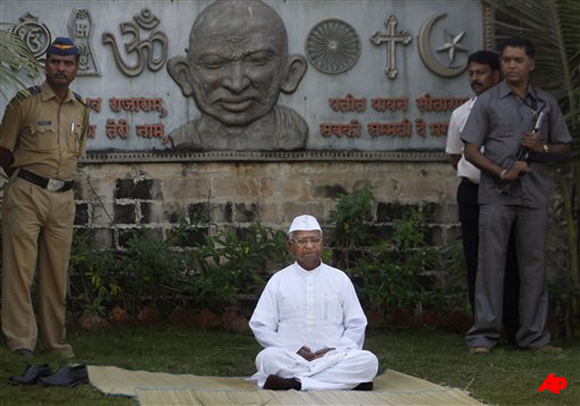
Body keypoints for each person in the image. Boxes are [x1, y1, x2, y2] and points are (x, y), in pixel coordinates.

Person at [461, 37, 571, 354]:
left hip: (534, 195)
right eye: (506, 60)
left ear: (530, 63)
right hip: (496, 194)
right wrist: (500, 171)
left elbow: (564, 147)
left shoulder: (546, 103)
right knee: (490, 265)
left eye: (518, 60)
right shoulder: (488, 101)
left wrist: (542, 148)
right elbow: (470, 149)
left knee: (535, 266)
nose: (511, 65)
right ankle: (483, 335)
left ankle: (534, 336)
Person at [0, 37, 90, 358]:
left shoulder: (81, 107)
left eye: (67, 64)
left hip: (63, 199)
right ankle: (21, 340)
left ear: (76, 69)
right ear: (46, 64)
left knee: (56, 274)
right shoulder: (24, 103)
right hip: (26, 194)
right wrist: (24, 179)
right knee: (19, 271)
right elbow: (4, 150)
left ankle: (54, 342)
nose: (60, 68)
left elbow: (76, 154)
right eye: (55, 62)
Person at [249, 215, 378, 391]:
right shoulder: (278, 280)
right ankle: (339, 382)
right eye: (302, 241)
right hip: (291, 357)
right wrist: (293, 349)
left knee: (368, 360)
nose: (309, 246)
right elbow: (260, 325)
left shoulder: (339, 279)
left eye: (315, 240)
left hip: (334, 356)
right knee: (266, 358)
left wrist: (334, 349)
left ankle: (297, 383)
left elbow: (356, 323)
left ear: (322, 243)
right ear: (290, 246)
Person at [445, 51, 520, 341]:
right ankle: (483, 331)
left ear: (496, 76)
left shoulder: (516, 110)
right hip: (473, 193)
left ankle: (514, 328)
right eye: (472, 73)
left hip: (507, 192)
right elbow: (456, 157)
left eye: (481, 73)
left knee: (512, 258)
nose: (475, 78)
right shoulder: (460, 114)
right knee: (476, 259)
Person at [167, 0, 308, 151]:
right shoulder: (183, 138)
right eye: (214, 63)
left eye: (258, 60)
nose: (236, 84)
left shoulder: (293, 131)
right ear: (185, 77)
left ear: (290, 74)